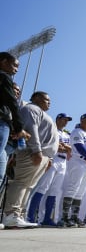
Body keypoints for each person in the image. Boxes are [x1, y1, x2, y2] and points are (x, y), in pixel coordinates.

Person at [2, 91, 59, 229]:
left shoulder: (41, 112)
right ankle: (11, 214)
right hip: (32, 153)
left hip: (42, 155)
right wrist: (36, 151)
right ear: (36, 98)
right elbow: (31, 129)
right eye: (46, 99)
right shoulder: (31, 108)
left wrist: (48, 157)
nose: (49, 102)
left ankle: (19, 215)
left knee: (28, 186)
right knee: (21, 183)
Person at [26, 113, 72, 226]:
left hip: (63, 162)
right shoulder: (52, 129)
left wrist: (63, 147)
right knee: (42, 188)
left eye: (67, 120)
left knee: (55, 191)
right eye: (64, 119)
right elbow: (53, 145)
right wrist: (61, 146)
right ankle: (30, 217)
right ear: (58, 119)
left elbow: (70, 149)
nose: (66, 122)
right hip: (52, 159)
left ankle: (47, 218)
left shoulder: (66, 135)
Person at [58, 114, 86, 228]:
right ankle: (64, 218)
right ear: (81, 120)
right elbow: (80, 147)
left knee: (81, 191)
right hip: (77, 161)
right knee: (72, 188)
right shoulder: (77, 131)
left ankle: (74, 217)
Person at [0, 52, 29, 188]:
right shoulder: (4, 77)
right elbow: (12, 102)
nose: (16, 70)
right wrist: (19, 128)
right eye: (14, 65)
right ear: (4, 62)